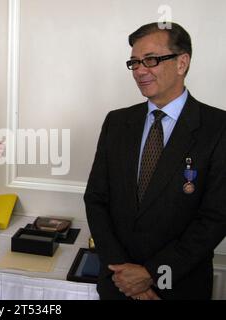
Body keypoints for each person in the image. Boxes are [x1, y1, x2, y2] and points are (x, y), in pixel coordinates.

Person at [84, 22, 226, 300]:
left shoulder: (218, 127)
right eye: (134, 62)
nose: (139, 71)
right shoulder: (117, 122)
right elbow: (96, 199)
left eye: (150, 60)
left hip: (179, 286)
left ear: (182, 62)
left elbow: (216, 218)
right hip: (117, 284)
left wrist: (150, 274)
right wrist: (122, 274)